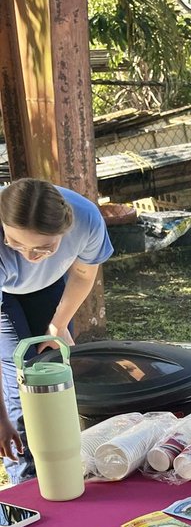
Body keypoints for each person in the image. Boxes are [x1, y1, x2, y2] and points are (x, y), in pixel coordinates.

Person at [0, 178, 113, 482]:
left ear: (67, 228)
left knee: (54, 366)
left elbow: (82, 272)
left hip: (49, 283)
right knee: (21, 371)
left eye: (44, 247)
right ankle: (25, 480)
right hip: (3, 293)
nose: (30, 256)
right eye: (16, 243)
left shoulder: (86, 218)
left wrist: (58, 323)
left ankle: (66, 467)